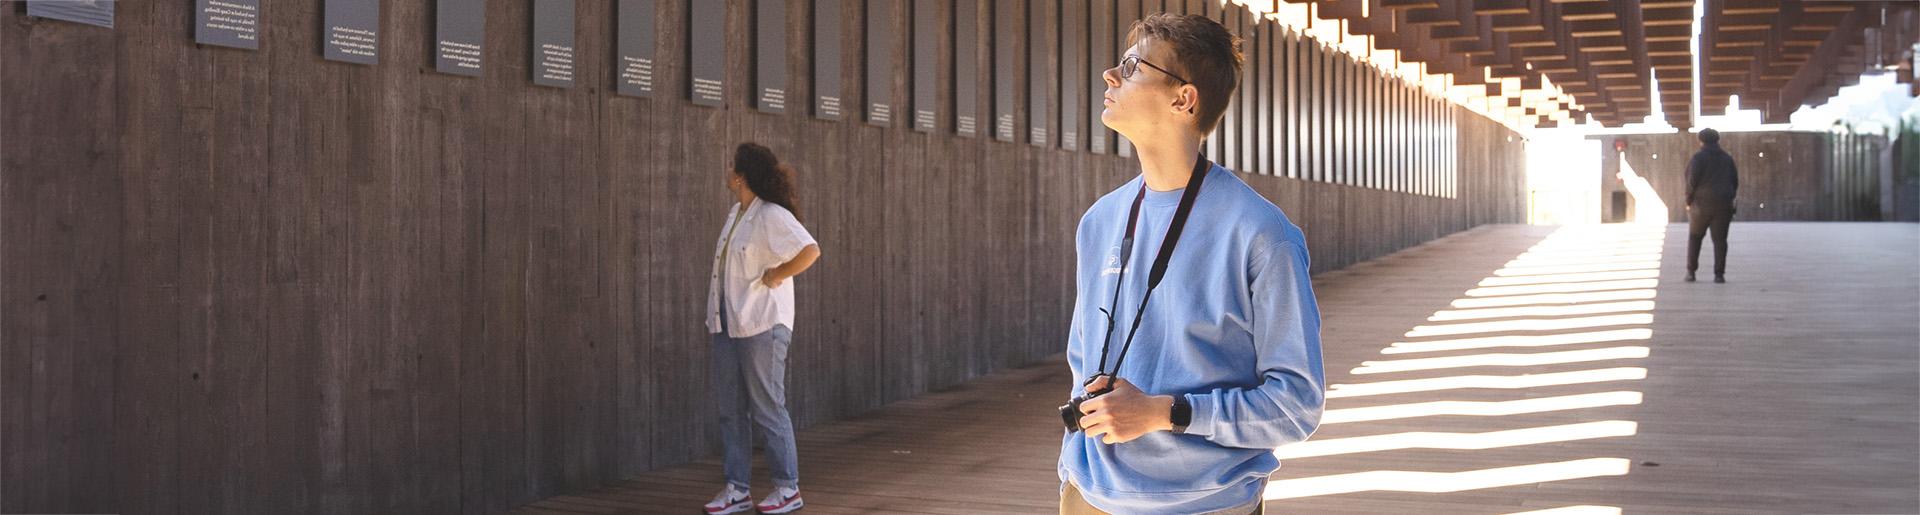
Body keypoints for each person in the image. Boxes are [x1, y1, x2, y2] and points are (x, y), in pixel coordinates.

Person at [1057, 13, 1325, 515]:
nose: (1110, 76)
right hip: (1087, 496)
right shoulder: (1099, 221)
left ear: (1184, 98)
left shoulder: (1262, 234)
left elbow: (1296, 407)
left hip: (1205, 503)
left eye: (1133, 66)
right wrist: (1073, 467)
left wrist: (1166, 412)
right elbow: (1081, 364)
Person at [703, 143, 822, 515]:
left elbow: (809, 249)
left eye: (731, 166)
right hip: (727, 324)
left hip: (762, 325)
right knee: (731, 409)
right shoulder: (736, 213)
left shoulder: (771, 215)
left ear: (741, 175)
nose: (727, 171)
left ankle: (788, 488)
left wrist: (778, 274)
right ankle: (737, 489)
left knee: (767, 407)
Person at [1685, 128, 1739, 283]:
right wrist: (1729, 197)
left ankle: (1691, 272)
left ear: (1700, 141)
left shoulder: (1698, 158)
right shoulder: (1727, 158)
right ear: (1718, 140)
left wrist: (1688, 200)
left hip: (1700, 205)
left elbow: (1691, 181)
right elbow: (1734, 181)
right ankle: (1719, 275)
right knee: (1720, 240)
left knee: (1695, 238)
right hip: (1723, 204)